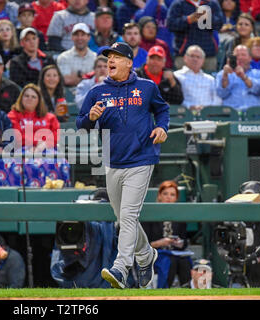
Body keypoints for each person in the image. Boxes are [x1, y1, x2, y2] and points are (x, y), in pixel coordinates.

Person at [76, 42, 170, 289]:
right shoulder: (97, 92)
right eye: (109, 57)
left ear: (129, 63)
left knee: (128, 216)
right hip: (112, 163)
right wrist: (90, 118)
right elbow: (81, 125)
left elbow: (162, 110)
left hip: (141, 159)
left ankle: (121, 268)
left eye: (117, 56)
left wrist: (162, 127)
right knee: (123, 218)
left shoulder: (147, 87)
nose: (111, 60)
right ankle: (146, 255)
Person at [141, 180, 192, 288]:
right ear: (159, 196)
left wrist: (181, 243)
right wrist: (160, 243)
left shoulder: (180, 217)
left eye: (172, 195)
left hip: (175, 253)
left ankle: (187, 294)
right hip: (155, 254)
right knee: (170, 261)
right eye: (165, 194)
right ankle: (164, 293)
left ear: (176, 198)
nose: (169, 197)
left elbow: (185, 241)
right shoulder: (149, 215)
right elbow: (143, 245)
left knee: (185, 262)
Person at [167, 0, 224, 71]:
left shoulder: (211, 3)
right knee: (182, 81)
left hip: (208, 55)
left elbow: (219, 24)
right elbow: (170, 24)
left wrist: (208, 18)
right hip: (184, 55)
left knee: (209, 80)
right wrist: (188, 20)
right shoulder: (179, 3)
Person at [8, 83, 60, 152]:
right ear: (21, 98)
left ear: (39, 101)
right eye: (26, 96)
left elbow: (56, 135)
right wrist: (37, 142)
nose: (29, 98)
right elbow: (17, 137)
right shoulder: (13, 115)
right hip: (22, 151)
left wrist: (44, 144)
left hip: (46, 148)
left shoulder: (50, 117)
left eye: (33, 97)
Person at [238, 180, 260, 288]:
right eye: (247, 196)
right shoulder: (237, 220)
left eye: (253, 196)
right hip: (240, 276)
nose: (250, 200)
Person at [216, 44, 260, 111]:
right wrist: (225, 75)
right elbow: (221, 94)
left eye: (243, 55)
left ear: (250, 58)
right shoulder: (223, 74)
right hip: (231, 114)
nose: (240, 57)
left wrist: (244, 77)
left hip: (254, 114)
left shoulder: (259, 74)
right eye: (237, 55)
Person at [174, 45, 221, 112]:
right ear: (185, 58)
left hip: (208, 115)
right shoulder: (177, 76)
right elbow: (175, 99)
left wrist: (208, 109)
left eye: (198, 57)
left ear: (203, 61)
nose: (195, 59)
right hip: (185, 114)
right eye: (192, 56)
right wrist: (189, 106)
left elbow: (217, 99)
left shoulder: (210, 79)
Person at [56, 23, 96, 89]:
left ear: (89, 37)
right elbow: (67, 80)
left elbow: (97, 81)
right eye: (76, 35)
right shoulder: (63, 57)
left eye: (83, 35)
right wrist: (88, 77)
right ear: (72, 37)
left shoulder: (95, 58)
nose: (79, 38)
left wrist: (77, 77)